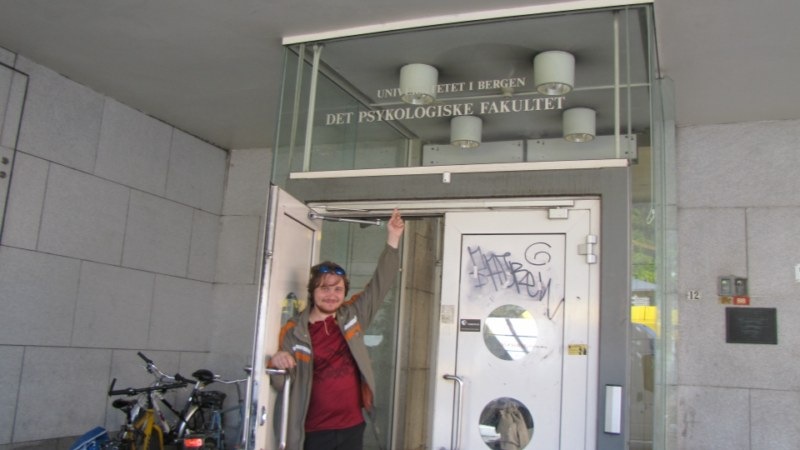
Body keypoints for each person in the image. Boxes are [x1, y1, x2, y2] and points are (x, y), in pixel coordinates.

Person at [269, 209, 405, 450]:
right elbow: (281, 384)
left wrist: (393, 238)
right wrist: (277, 361)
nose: (331, 295)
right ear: (312, 292)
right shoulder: (294, 331)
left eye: (337, 289)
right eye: (324, 288)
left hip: (353, 427)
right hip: (313, 432)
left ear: (344, 292)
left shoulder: (352, 316)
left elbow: (380, 283)